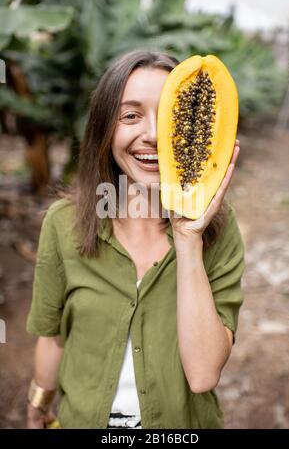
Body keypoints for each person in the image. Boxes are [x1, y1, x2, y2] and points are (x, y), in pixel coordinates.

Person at [26, 50, 245, 429]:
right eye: (130, 116)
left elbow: (204, 374)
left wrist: (188, 238)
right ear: (105, 129)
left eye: (168, 116)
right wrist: (38, 405)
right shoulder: (62, 225)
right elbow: (52, 337)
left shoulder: (219, 231)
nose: (154, 135)